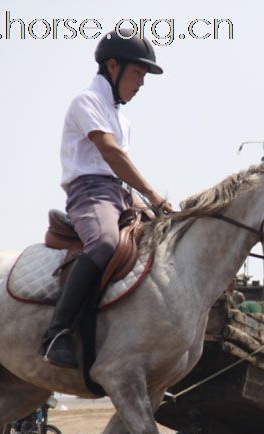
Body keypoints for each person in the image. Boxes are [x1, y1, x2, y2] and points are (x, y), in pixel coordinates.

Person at [40, 30, 174, 368]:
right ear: (112, 66)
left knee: (166, 239)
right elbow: (112, 156)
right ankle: (57, 332)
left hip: (120, 194)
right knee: (103, 243)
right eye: (138, 73)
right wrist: (154, 195)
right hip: (89, 191)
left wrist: (154, 209)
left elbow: (121, 171)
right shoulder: (86, 102)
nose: (141, 83)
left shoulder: (123, 119)